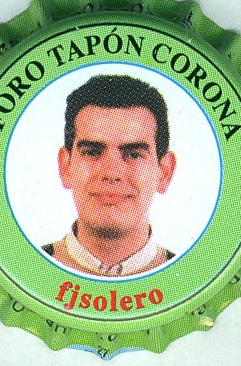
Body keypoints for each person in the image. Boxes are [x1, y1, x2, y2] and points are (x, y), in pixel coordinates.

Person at [42, 74, 177, 277]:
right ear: (65, 166)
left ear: (164, 172)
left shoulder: (193, 278)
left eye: (134, 154)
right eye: (91, 152)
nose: (112, 173)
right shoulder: (21, 269)